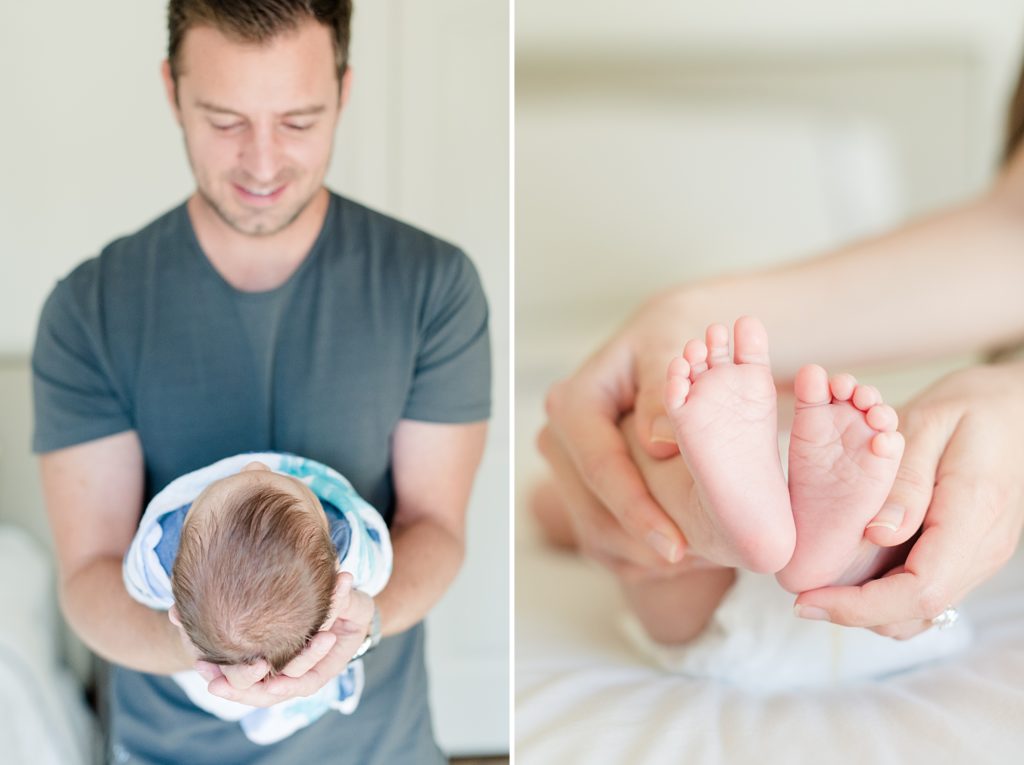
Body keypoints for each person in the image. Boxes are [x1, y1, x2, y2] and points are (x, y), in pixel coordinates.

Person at [31, 2, 490, 763]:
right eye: (225, 121)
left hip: (378, 745)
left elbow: (435, 529)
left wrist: (354, 629)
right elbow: (89, 577)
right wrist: (215, 656)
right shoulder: (90, 309)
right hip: (165, 748)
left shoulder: (431, 286)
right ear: (172, 92)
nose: (264, 163)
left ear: (344, 92)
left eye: (300, 122)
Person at [538, 65, 1024, 643]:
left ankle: (712, 521)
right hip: (904, 599)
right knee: (901, 492)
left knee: (595, 487)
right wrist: (681, 315)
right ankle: (843, 553)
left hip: (747, 611)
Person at [122, 453, 392, 746]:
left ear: (179, 617)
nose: (256, 465)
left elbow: (137, 583)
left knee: (221, 691)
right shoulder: (344, 538)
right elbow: (377, 570)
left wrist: (187, 611)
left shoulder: (162, 551)